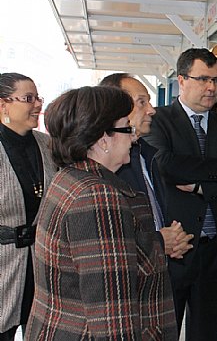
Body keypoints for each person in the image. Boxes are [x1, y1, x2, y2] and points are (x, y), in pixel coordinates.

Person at [25, 86, 177, 339]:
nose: (133, 138)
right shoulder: (97, 197)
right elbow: (111, 317)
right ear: (103, 140)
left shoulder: (70, 178)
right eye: (126, 129)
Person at [145, 48, 217, 340]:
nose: (212, 88)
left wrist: (201, 186)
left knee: (208, 334)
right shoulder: (159, 120)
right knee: (163, 333)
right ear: (182, 80)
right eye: (203, 79)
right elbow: (166, 166)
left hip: (215, 252)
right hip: (175, 248)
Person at [99, 73, 194, 260]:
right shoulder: (106, 166)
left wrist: (172, 241)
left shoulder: (148, 155)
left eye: (149, 101)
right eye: (141, 102)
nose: (151, 110)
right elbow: (107, 242)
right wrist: (160, 242)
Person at [0, 73, 56, 341]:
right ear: (3, 105)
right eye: (28, 98)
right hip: (4, 265)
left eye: (38, 98)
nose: (37, 105)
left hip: (41, 263)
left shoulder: (47, 145)